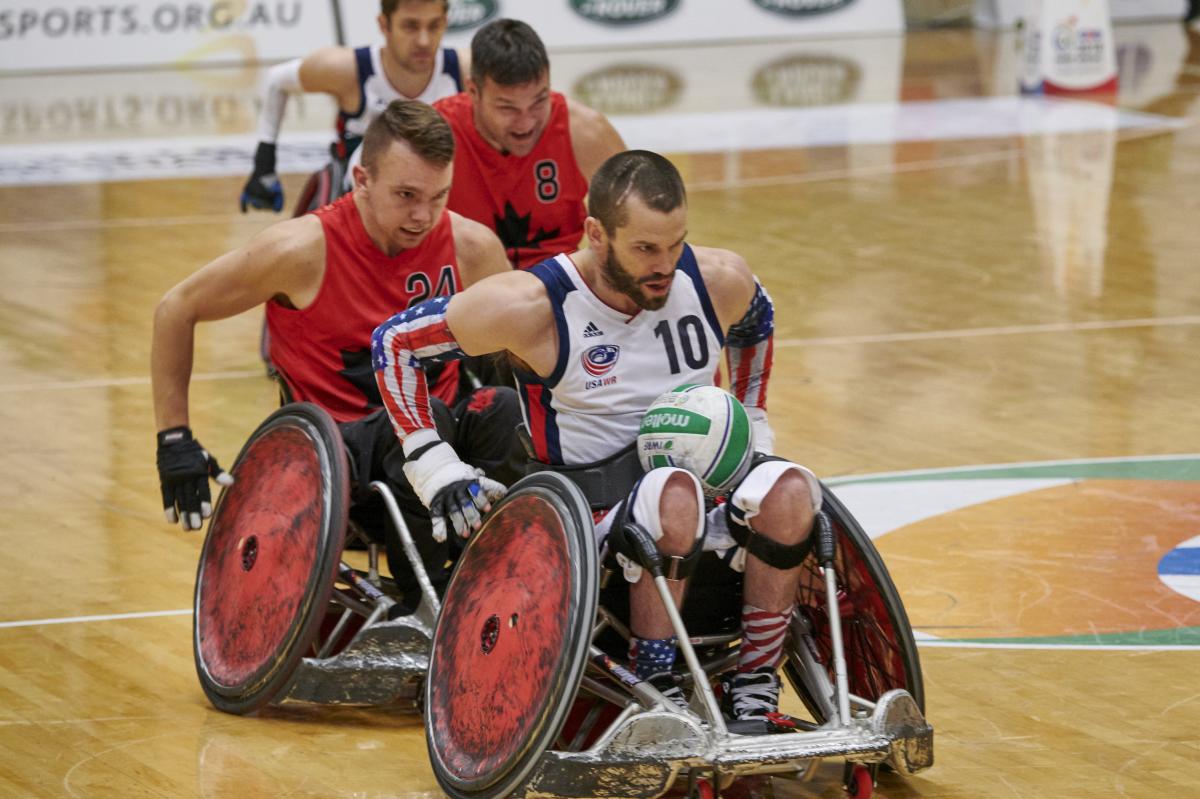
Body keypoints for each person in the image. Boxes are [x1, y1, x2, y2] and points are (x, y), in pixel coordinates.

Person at [370, 150, 823, 730]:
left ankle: (755, 679)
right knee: (671, 493)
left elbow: (758, 319)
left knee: (789, 488)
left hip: (704, 502)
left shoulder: (717, 280)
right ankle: (657, 680)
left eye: (675, 244)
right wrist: (432, 464)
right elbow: (396, 342)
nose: (665, 265)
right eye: (644, 249)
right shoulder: (534, 305)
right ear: (595, 234)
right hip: (587, 524)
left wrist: (754, 420)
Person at [155, 100, 519, 606]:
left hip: (446, 456)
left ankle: (522, 586)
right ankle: (430, 605)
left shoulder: (471, 248)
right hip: (336, 464)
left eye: (438, 196)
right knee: (420, 414)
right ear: (362, 178)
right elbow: (177, 307)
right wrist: (174, 439)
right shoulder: (300, 250)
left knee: (506, 406)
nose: (423, 215)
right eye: (406, 195)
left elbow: (529, 350)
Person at [433, 19, 626, 269]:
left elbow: (637, 222)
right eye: (507, 108)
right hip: (467, 290)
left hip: (560, 285)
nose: (525, 124)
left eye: (538, 101)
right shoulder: (436, 135)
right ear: (473, 91)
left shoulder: (585, 130)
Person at [240, 0, 463, 215]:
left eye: (434, 26)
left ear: (445, 22)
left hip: (438, 193)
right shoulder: (346, 68)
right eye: (410, 26)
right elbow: (277, 80)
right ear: (384, 25)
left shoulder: (466, 70)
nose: (424, 40)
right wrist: (264, 162)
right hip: (356, 196)